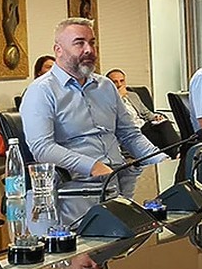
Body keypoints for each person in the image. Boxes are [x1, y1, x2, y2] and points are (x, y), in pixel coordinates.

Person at [20, 18, 167, 225]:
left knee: (161, 224)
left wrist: (161, 161)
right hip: (77, 190)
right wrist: (93, 166)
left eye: (92, 42)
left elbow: (130, 134)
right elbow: (42, 148)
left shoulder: (105, 86)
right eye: (79, 43)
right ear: (58, 50)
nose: (89, 50)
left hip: (119, 182)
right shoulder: (41, 91)